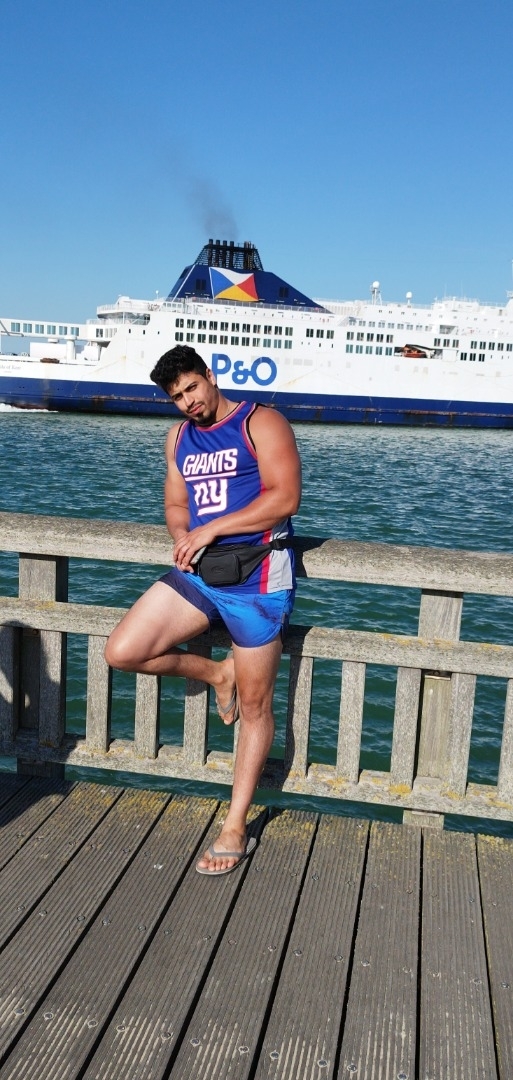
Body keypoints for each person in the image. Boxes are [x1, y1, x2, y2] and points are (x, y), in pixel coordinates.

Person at [104, 345, 301, 875]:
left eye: (192, 388)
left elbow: (285, 498)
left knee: (255, 707)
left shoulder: (261, 422)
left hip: (258, 578)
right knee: (123, 651)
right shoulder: (178, 438)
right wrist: (182, 536)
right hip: (199, 575)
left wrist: (211, 529)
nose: (188, 402)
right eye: (177, 397)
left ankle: (235, 825)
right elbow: (176, 504)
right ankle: (217, 673)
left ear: (210, 376)